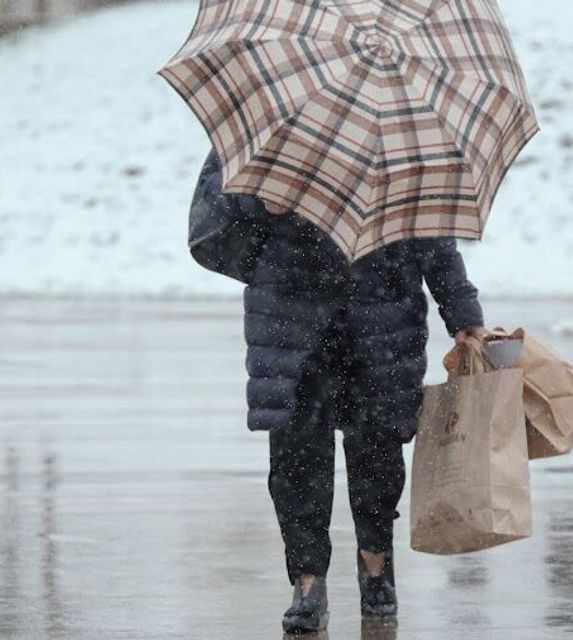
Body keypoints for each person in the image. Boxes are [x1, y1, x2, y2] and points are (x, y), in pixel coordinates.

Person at [192, 151, 488, 634]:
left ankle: (376, 565)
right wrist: (263, 204)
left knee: (378, 455)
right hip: (293, 315)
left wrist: (462, 312)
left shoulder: (405, 131)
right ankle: (308, 582)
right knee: (296, 461)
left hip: (381, 315)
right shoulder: (276, 124)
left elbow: (433, 231)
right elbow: (214, 212)